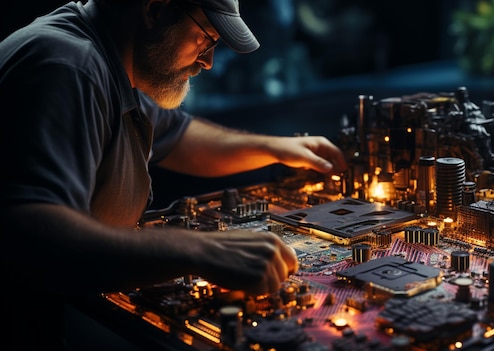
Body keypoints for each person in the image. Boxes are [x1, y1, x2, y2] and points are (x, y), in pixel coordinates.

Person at [0, 0, 347, 349]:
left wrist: (277, 148)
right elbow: (34, 235)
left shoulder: (116, 63)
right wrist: (199, 251)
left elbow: (178, 137)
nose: (208, 62)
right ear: (154, 9)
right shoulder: (69, 66)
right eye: (206, 38)